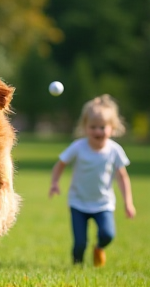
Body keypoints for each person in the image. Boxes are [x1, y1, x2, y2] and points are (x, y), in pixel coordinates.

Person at [49, 94, 136, 267]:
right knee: (80, 243)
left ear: (112, 128)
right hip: (78, 203)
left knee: (108, 235)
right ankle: (77, 266)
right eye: (93, 127)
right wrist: (55, 183)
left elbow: (122, 177)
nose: (98, 131)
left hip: (103, 204)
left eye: (102, 127)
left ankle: (99, 248)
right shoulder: (78, 147)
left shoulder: (115, 150)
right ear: (85, 127)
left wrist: (128, 202)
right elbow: (60, 164)